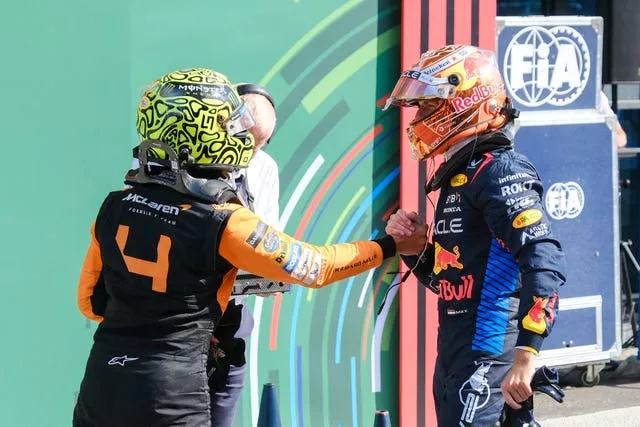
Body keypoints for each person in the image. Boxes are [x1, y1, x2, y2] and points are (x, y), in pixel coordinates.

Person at [72, 67, 425, 427]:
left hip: (103, 382)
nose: (241, 135)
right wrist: (389, 245)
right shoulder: (225, 222)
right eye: (233, 125)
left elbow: (91, 301)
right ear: (207, 132)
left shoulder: (114, 204)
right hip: (170, 392)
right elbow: (315, 267)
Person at [382, 45, 567, 426]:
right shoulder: (461, 175)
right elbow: (452, 282)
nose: (419, 118)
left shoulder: (499, 171)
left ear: (468, 100)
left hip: (490, 356)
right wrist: (416, 248)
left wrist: (526, 355)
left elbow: (544, 260)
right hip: (455, 353)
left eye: (428, 106)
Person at [207, 82, 280, 427]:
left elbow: (269, 242)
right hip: (183, 319)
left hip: (230, 319)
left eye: (261, 144)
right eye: (248, 142)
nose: (252, 153)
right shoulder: (178, 164)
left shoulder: (263, 167)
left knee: (222, 412)